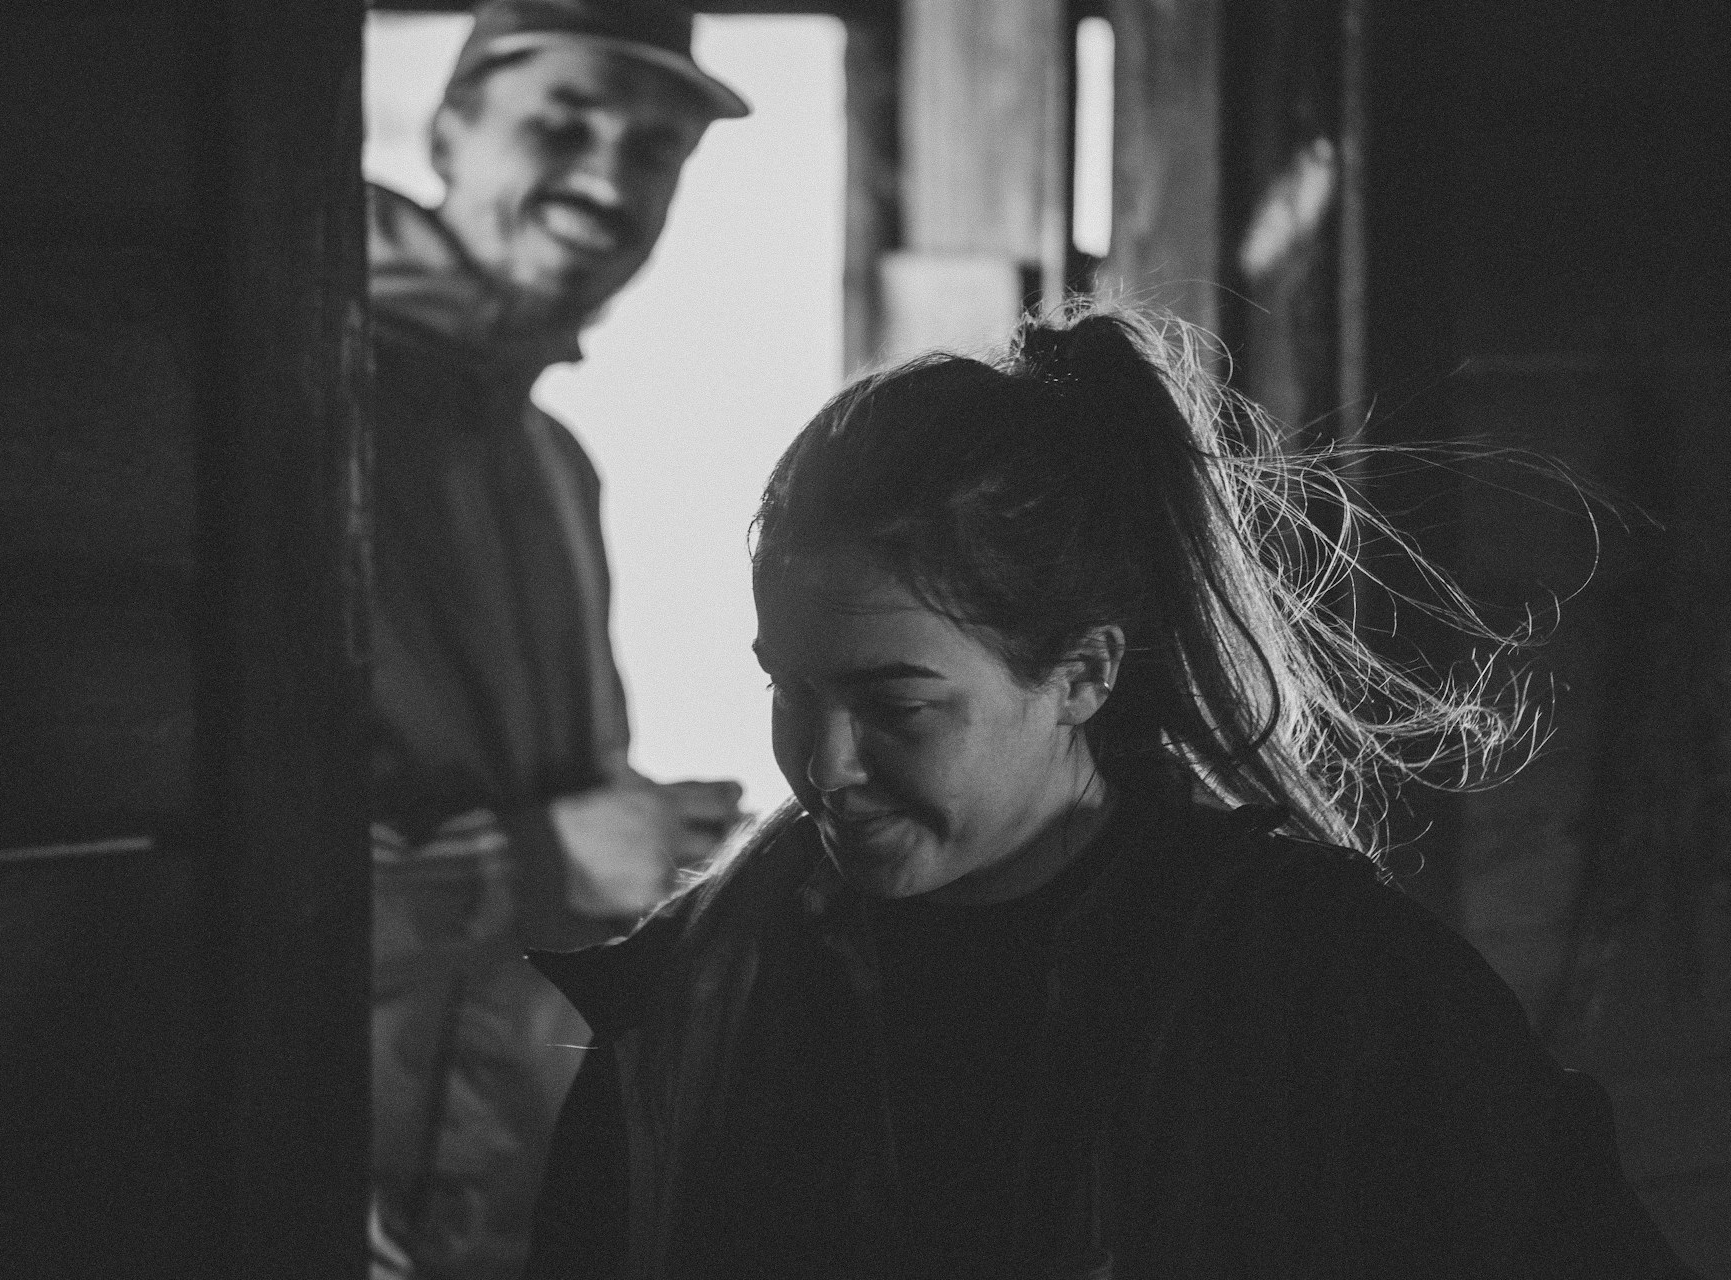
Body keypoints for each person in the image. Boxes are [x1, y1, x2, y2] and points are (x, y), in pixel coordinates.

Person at [520, 305, 1700, 1279]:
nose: (824, 766)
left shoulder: (1329, 991)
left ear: (1083, 670)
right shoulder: (696, 992)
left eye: (898, 705)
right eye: (789, 689)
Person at [365, 3, 749, 1277]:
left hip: (488, 1193)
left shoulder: (551, 457)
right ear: (452, 127)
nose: (608, 176)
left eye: (654, 149)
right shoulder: (308, 397)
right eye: (564, 120)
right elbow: (214, 862)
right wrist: (545, 856)